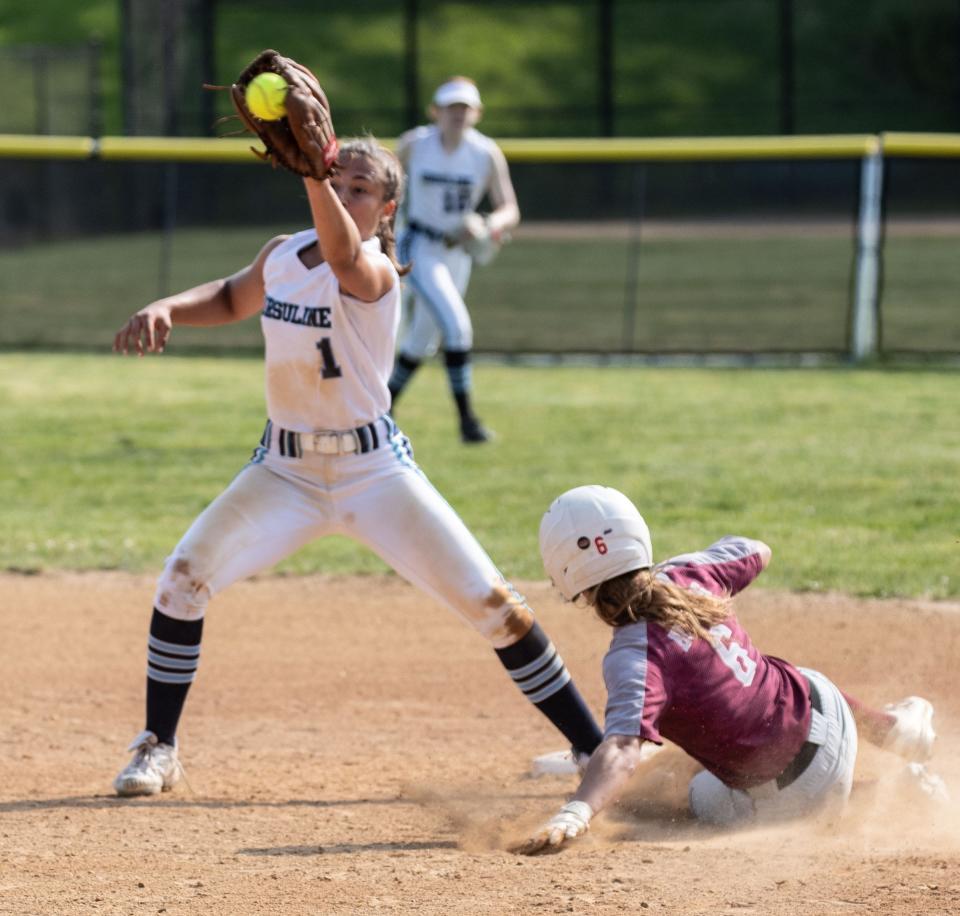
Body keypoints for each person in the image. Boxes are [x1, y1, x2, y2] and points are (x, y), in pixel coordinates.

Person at [110, 136, 601, 796]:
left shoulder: (374, 270)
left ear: (387, 209)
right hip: (283, 472)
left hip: (375, 473)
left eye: (359, 189)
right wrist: (167, 305)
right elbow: (230, 298)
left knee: (495, 606)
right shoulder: (281, 254)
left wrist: (314, 170)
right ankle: (159, 746)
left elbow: (341, 254)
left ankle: (594, 749)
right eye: (334, 181)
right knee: (181, 580)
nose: (342, 194)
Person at [516, 485, 944, 854]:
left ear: (568, 575)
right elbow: (758, 549)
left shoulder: (633, 657)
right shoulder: (690, 574)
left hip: (798, 799)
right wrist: (694, 565)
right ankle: (889, 729)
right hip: (833, 715)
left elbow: (624, 750)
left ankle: (897, 794)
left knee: (671, 787)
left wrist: (579, 809)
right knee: (790, 681)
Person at [387, 76, 520, 444]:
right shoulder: (415, 144)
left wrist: (488, 224)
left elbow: (510, 209)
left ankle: (380, 409)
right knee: (458, 327)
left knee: (421, 341)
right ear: (436, 111)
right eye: (451, 107)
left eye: (464, 107)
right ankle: (468, 423)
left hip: (458, 253)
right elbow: (386, 188)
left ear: (476, 113)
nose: (457, 114)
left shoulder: (485, 153)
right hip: (419, 245)